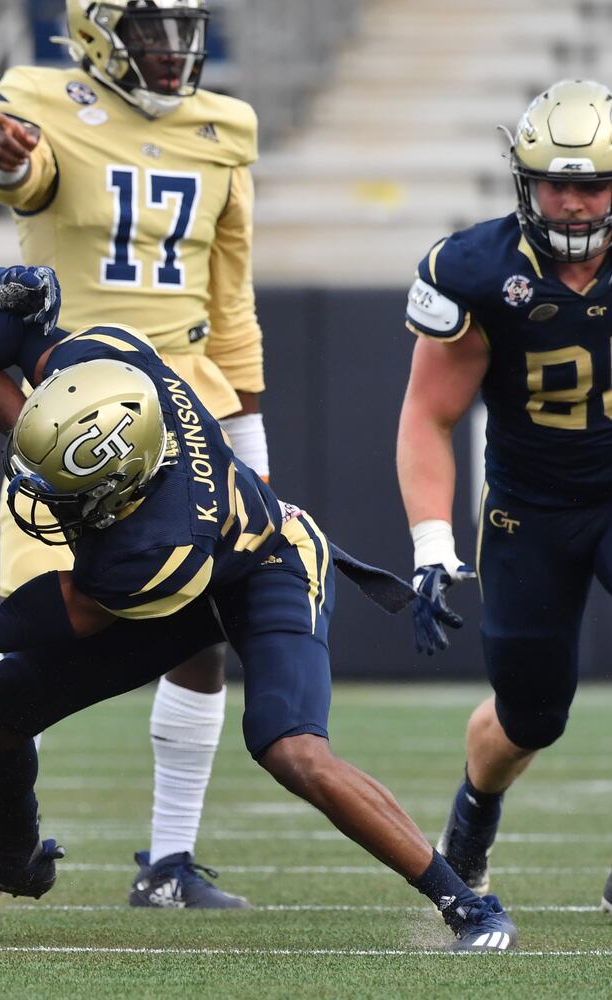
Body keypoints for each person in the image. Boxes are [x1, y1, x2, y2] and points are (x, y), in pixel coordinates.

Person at [0, 323, 519, 951]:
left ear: (120, 491)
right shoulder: (105, 362)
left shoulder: (147, 551)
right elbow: (20, 333)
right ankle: (11, 856)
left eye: (67, 495)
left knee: (291, 749)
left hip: (265, 565)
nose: (45, 504)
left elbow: (5, 626)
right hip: (194, 562)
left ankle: (466, 905)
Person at [0, 0, 269, 906]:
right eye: (148, 29)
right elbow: (16, 180)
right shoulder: (39, 96)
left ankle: (168, 862)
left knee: (198, 629)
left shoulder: (225, 126)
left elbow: (231, 300)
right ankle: (7, 830)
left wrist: (252, 456)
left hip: (184, 398)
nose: (172, 49)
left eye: (184, 28)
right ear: (97, 31)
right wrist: (7, 156)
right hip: (72, 394)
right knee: (43, 613)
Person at [396, 79, 612, 912]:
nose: (570, 200)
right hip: (529, 507)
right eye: (554, 181)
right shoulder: (475, 270)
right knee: (528, 717)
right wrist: (428, 540)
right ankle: (473, 814)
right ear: (523, 181)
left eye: (591, 181)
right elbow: (428, 414)